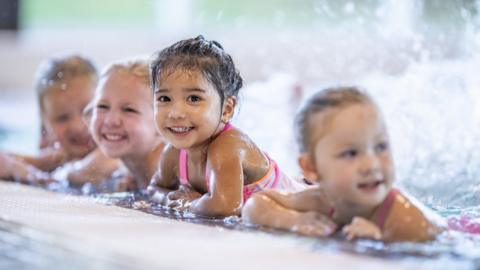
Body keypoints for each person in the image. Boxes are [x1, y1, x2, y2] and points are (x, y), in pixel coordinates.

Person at [242, 87, 446, 242]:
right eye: (351, 153)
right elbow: (256, 204)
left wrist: (382, 243)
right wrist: (293, 221)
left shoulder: (406, 218)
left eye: (381, 147)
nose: (371, 164)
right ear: (311, 168)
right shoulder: (323, 200)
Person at [147, 36, 304, 217]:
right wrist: (169, 199)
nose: (176, 113)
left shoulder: (227, 146)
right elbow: (154, 189)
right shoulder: (174, 154)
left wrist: (187, 202)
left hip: (306, 206)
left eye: (194, 99)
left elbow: (226, 207)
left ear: (227, 109)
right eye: (164, 99)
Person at [90, 58, 164, 191]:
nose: (110, 121)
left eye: (129, 110)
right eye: (102, 106)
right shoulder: (131, 172)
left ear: (163, 122)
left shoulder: (167, 173)